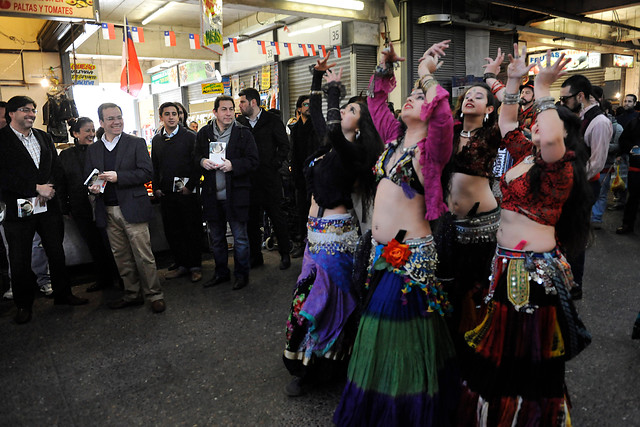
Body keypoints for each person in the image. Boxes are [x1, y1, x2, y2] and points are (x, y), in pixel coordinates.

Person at [459, 47, 591, 426]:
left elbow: (549, 139)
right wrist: (512, 82)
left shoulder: (558, 169)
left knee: (527, 355)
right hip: (505, 265)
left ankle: (528, 417)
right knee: (502, 351)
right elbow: (506, 123)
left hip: (532, 274)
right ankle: (501, 413)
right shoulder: (524, 155)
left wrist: (546, 88)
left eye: (544, 120)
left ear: (564, 137)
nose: (536, 125)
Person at [334, 41, 458, 425]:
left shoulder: (431, 151)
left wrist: (425, 73)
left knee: (392, 331)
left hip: (410, 255)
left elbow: (443, 117)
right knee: (383, 332)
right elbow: (376, 103)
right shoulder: (393, 142)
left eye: (419, 97)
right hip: (379, 252)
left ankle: (403, 412)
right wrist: (385, 69)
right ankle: (386, 405)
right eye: (408, 96)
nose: (411, 99)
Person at [283, 57, 383, 396]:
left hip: (337, 237)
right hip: (315, 233)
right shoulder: (325, 149)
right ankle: (308, 363)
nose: (343, 113)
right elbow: (315, 118)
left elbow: (330, 129)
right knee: (307, 298)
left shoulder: (353, 152)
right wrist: (316, 77)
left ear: (361, 124)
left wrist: (335, 96)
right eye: (344, 108)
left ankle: (322, 369)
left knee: (325, 301)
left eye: (352, 110)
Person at [435, 50, 503, 357]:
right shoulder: (448, 132)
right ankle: (450, 346)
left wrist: (494, 79)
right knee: (450, 285)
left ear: (489, 108)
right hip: (450, 222)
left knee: (477, 287)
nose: (470, 99)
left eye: (479, 96)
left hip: (482, 224)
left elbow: (513, 114)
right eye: (467, 95)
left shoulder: (491, 134)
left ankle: (478, 347)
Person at [0, 96, 89, 324]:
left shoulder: (43, 136)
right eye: (24, 110)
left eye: (32, 110)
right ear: (11, 113)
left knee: (56, 252)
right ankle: (23, 305)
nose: (30, 114)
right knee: (20, 258)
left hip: (48, 206)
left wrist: (50, 190)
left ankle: (63, 294)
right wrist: (34, 188)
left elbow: (56, 169)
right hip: (18, 211)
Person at [85, 102, 166, 314]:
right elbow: (89, 178)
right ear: (101, 122)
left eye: (119, 117)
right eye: (110, 118)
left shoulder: (135, 143)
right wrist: (92, 189)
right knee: (121, 256)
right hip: (108, 211)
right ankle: (132, 293)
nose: (116, 121)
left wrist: (118, 177)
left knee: (144, 255)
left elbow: (147, 173)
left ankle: (154, 295)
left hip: (133, 208)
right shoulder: (93, 149)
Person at [196, 96, 258, 291]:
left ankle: (242, 275)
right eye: (224, 109)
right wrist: (202, 162)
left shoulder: (243, 133)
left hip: (236, 195)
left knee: (240, 238)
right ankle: (221, 272)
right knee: (217, 238)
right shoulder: (204, 133)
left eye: (231, 109)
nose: (229, 113)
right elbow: (195, 156)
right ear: (215, 112)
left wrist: (234, 165)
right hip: (212, 196)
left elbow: (253, 161)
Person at [560, 74, 612, 299]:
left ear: (580, 96)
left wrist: (571, 177)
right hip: (571, 182)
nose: (562, 103)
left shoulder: (600, 122)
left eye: (565, 99)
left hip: (584, 185)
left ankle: (575, 284)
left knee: (576, 236)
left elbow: (597, 162)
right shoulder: (579, 115)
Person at [58, 117, 121, 292]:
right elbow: (61, 183)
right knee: (94, 245)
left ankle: (122, 278)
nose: (92, 134)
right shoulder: (66, 155)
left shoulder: (101, 150)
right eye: (87, 131)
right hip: (80, 207)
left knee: (112, 244)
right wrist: (65, 207)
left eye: (93, 130)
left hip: (103, 204)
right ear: (75, 133)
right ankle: (104, 278)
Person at [237, 88, 292, 270]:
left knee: (277, 217)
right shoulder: (240, 123)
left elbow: (284, 146)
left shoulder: (272, 121)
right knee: (252, 221)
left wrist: (274, 164)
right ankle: (255, 256)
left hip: (269, 179)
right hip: (249, 180)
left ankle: (285, 254)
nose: (240, 105)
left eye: (243, 102)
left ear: (253, 102)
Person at [151, 102, 202, 282]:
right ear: (161, 117)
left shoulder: (190, 137)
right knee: (173, 231)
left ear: (179, 116)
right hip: (167, 194)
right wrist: (156, 186)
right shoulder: (157, 139)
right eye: (167, 114)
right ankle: (181, 265)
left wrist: (191, 186)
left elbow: (198, 165)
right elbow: (155, 166)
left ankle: (195, 266)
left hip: (187, 193)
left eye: (174, 113)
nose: (171, 117)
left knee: (191, 230)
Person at [289, 95, 321, 259]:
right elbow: (293, 153)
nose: (308, 106)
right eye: (305, 104)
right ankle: (301, 243)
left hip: (314, 175)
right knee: (300, 210)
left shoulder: (317, 127)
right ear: (299, 109)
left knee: (315, 211)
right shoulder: (294, 129)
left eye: (311, 104)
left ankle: (314, 243)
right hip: (299, 176)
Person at [591, 101, 624, 229]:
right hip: (590, 165)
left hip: (605, 166)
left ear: (606, 111)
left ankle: (596, 218)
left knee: (601, 193)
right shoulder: (589, 124)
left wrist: (600, 145)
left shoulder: (617, 127)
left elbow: (618, 145)